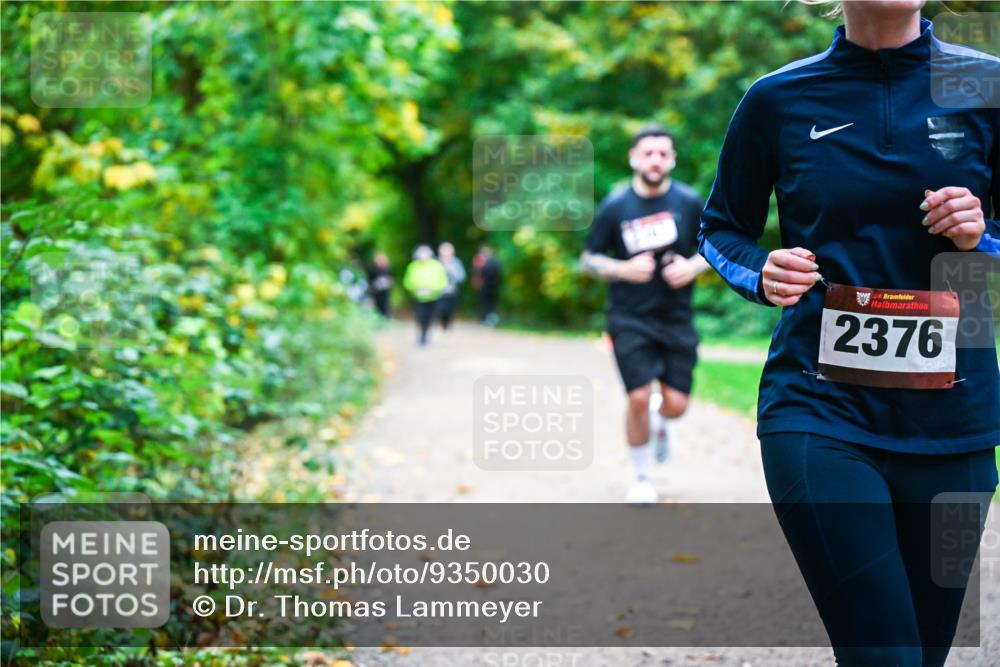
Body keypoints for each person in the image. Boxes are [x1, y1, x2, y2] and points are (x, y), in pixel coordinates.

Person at [698, 3, 999, 665]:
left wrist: (983, 236)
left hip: (956, 422)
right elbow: (720, 228)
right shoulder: (777, 98)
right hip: (819, 410)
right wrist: (760, 272)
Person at [581, 124, 709, 505]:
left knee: (676, 406)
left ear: (672, 159)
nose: (655, 160)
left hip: (676, 317)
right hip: (628, 316)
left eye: (662, 154)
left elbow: (716, 248)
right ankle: (641, 478)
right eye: (648, 153)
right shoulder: (616, 205)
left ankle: (660, 421)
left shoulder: (689, 201)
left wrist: (692, 267)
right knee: (638, 396)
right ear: (633, 158)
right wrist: (622, 269)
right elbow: (589, 258)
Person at [402, 245, 448, 346]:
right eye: (421, 254)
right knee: (420, 316)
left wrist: (433, 289)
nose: (423, 256)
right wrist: (415, 288)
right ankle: (422, 335)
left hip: (433, 297)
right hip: (418, 297)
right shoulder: (412, 266)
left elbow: (442, 281)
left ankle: (426, 334)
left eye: (425, 254)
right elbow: (407, 281)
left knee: (430, 317)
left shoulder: (436, 265)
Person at [437, 242, 466, 330]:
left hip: (452, 290)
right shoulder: (436, 262)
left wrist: (452, 272)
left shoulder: (456, 262)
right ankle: (443, 323)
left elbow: (462, 276)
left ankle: (448, 323)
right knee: (441, 309)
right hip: (439, 290)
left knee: (450, 309)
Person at [472, 245, 502, 327]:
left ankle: (486, 319)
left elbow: (479, 274)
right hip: (494, 287)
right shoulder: (496, 262)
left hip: (485, 287)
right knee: (492, 304)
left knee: (485, 304)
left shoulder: (484, 264)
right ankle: (491, 318)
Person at [368, 251, 393, 318]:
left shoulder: (387, 268)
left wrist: (389, 283)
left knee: (385, 303)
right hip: (376, 290)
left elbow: (391, 277)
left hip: (385, 289)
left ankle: (386, 317)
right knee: (377, 304)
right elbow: (370, 279)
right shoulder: (373, 269)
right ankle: (378, 317)